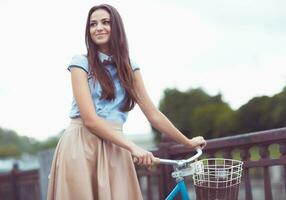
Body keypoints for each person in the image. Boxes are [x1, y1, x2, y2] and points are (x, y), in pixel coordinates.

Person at [47, 4, 206, 200]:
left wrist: (187, 142)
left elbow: (153, 114)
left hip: (116, 146)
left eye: (106, 22)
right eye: (93, 24)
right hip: (82, 145)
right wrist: (133, 147)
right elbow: (89, 120)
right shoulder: (80, 63)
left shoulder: (130, 67)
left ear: (117, 27)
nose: (99, 28)